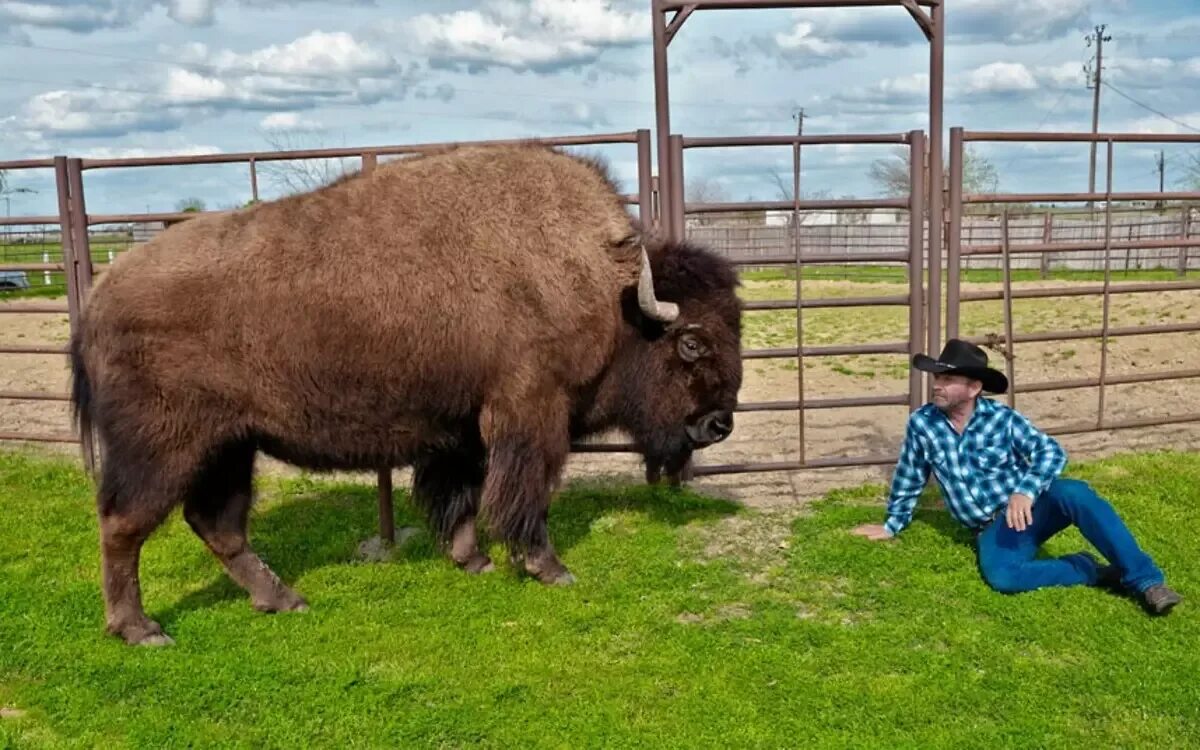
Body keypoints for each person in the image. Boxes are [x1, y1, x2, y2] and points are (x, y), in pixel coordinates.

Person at [852, 338, 1181, 616]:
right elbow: (910, 475)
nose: (937, 385)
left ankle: (1147, 582)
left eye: (947, 380)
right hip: (991, 527)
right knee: (1004, 576)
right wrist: (891, 524)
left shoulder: (1002, 418)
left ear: (974, 388)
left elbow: (1050, 452)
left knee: (1075, 493)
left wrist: (1025, 490)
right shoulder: (922, 424)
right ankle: (1090, 570)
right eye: (937, 377)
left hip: (1030, 508)